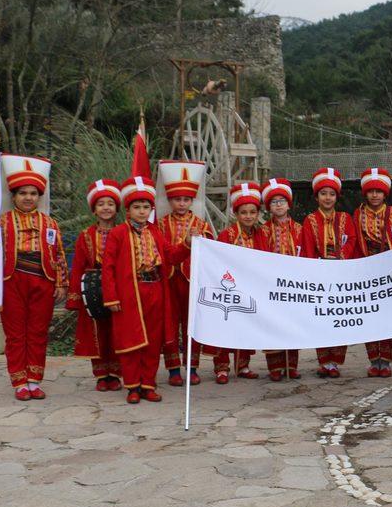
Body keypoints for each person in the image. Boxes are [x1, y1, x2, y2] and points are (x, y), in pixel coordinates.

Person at [0, 155, 67, 401]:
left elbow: (59, 254)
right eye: (23, 193)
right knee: (15, 333)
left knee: (38, 332)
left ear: (39, 196)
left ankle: (34, 380)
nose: (28, 197)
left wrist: (61, 282)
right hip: (12, 281)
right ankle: (20, 382)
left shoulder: (50, 223)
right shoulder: (1, 222)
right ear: (13, 196)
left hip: (42, 281)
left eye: (33, 193)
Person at [102, 176, 185, 404]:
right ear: (128, 210)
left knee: (153, 339)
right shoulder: (118, 233)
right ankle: (132, 386)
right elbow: (108, 267)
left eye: (146, 207)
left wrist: (187, 244)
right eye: (137, 207)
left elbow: (171, 255)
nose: (141, 211)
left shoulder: (156, 232)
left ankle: (148, 384)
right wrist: (111, 297)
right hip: (130, 292)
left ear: (151, 210)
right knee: (131, 339)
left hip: (155, 289)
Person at [156, 160, 214, 387]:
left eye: (186, 199)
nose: (181, 203)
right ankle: (173, 369)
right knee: (169, 324)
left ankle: (192, 367)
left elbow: (210, 250)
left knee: (192, 323)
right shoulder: (160, 225)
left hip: (193, 280)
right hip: (169, 280)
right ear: (170, 200)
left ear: (192, 201)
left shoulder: (201, 224)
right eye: (177, 199)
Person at [300, 167, 360, 378]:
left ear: (337, 197)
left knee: (340, 316)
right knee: (322, 317)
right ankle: (324, 361)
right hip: (320, 276)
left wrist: (341, 258)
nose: (327, 198)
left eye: (332, 194)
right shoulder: (310, 220)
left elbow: (351, 240)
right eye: (323, 194)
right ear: (316, 197)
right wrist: (314, 268)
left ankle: (335, 361)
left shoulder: (345, 218)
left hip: (341, 275)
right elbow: (307, 247)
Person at [67, 179, 123, 392]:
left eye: (110, 203)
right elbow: (78, 266)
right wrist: (75, 297)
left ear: (117, 208)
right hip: (92, 289)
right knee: (96, 333)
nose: (106, 208)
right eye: (101, 204)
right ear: (94, 209)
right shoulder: (85, 236)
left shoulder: (124, 232)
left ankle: (116, 373)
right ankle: (101, 375)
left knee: (116, 331)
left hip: (118, 288)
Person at [212, 182, 268, 382]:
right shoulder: (226, 235)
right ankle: (222, 367)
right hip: (230, 289)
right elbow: (218, 261)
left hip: (251, 288)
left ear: (258, 213)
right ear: (236, 213)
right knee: (225, 326)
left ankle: (242, 365)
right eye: (243, 212)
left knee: (246, 326)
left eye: (253, 212)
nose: (249, 216)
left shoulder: (261, 234)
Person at [356, 167, 392, 377]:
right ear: (365, 193)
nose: (375, 195)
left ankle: (385, 361)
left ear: (385, 193)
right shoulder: (358, 213)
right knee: (369, 314)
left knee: (386, 315)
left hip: (388, 268)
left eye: (379, 191)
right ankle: (373, 360)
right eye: (371, 191)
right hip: (366, 268)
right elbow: (356, 242)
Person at [260, 178, 304, 381]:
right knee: (272, 324)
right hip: (271, 283)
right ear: (268, 206)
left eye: (282, 201)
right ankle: (275, 367)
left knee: (292, 323)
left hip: (294, 283)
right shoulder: (263, 231)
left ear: (289, 204)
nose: (278, 205)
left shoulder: (300, 229)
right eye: (274, 202)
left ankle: (291, 365)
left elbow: (306, 254)